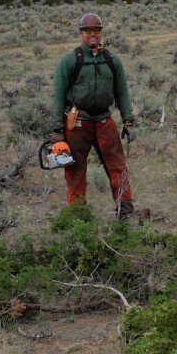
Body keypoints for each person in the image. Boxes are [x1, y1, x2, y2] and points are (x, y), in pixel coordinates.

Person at [51, 13, 137, 219]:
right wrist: (57, 130)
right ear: (81, 33)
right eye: (88, 30)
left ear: (101, 33)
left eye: (96, 30)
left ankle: (125, 214)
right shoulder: (69, 60)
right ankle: (78, 216)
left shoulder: (112, 60)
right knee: (75, 168)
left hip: (104, 121)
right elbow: (58, 94)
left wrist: (128, 121)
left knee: (118, 167)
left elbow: (122, 92)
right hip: (77, 122)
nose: (92, 34)